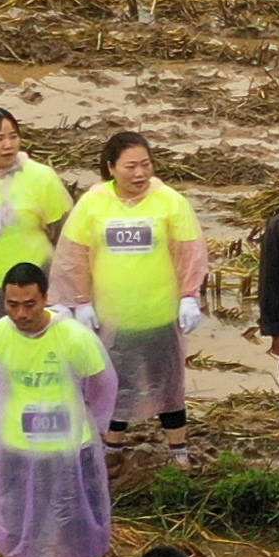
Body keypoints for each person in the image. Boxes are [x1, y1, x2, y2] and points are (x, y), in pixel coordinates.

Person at [0, 265, 119, 557]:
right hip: (19, 449)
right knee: (20, 521)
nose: (21, 314)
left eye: (30, 304)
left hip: (69, 450)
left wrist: (86, 429)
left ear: (45, 298)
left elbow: (102, 388)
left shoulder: (75, 338)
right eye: (13, 305)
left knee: (86, 523)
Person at [55, 132, 208, 470]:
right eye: (130, 167)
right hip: (112, 318)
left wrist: (188, 296)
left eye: (146, 165)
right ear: (111, 168)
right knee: (114, 382)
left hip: (159, 315)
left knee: (168, 382)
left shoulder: (170, 202)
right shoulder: (93, 203)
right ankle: (112, 448)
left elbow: (190, 252)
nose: (140, 174)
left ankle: (178, 450)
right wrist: (78, 301)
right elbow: (73, 256)